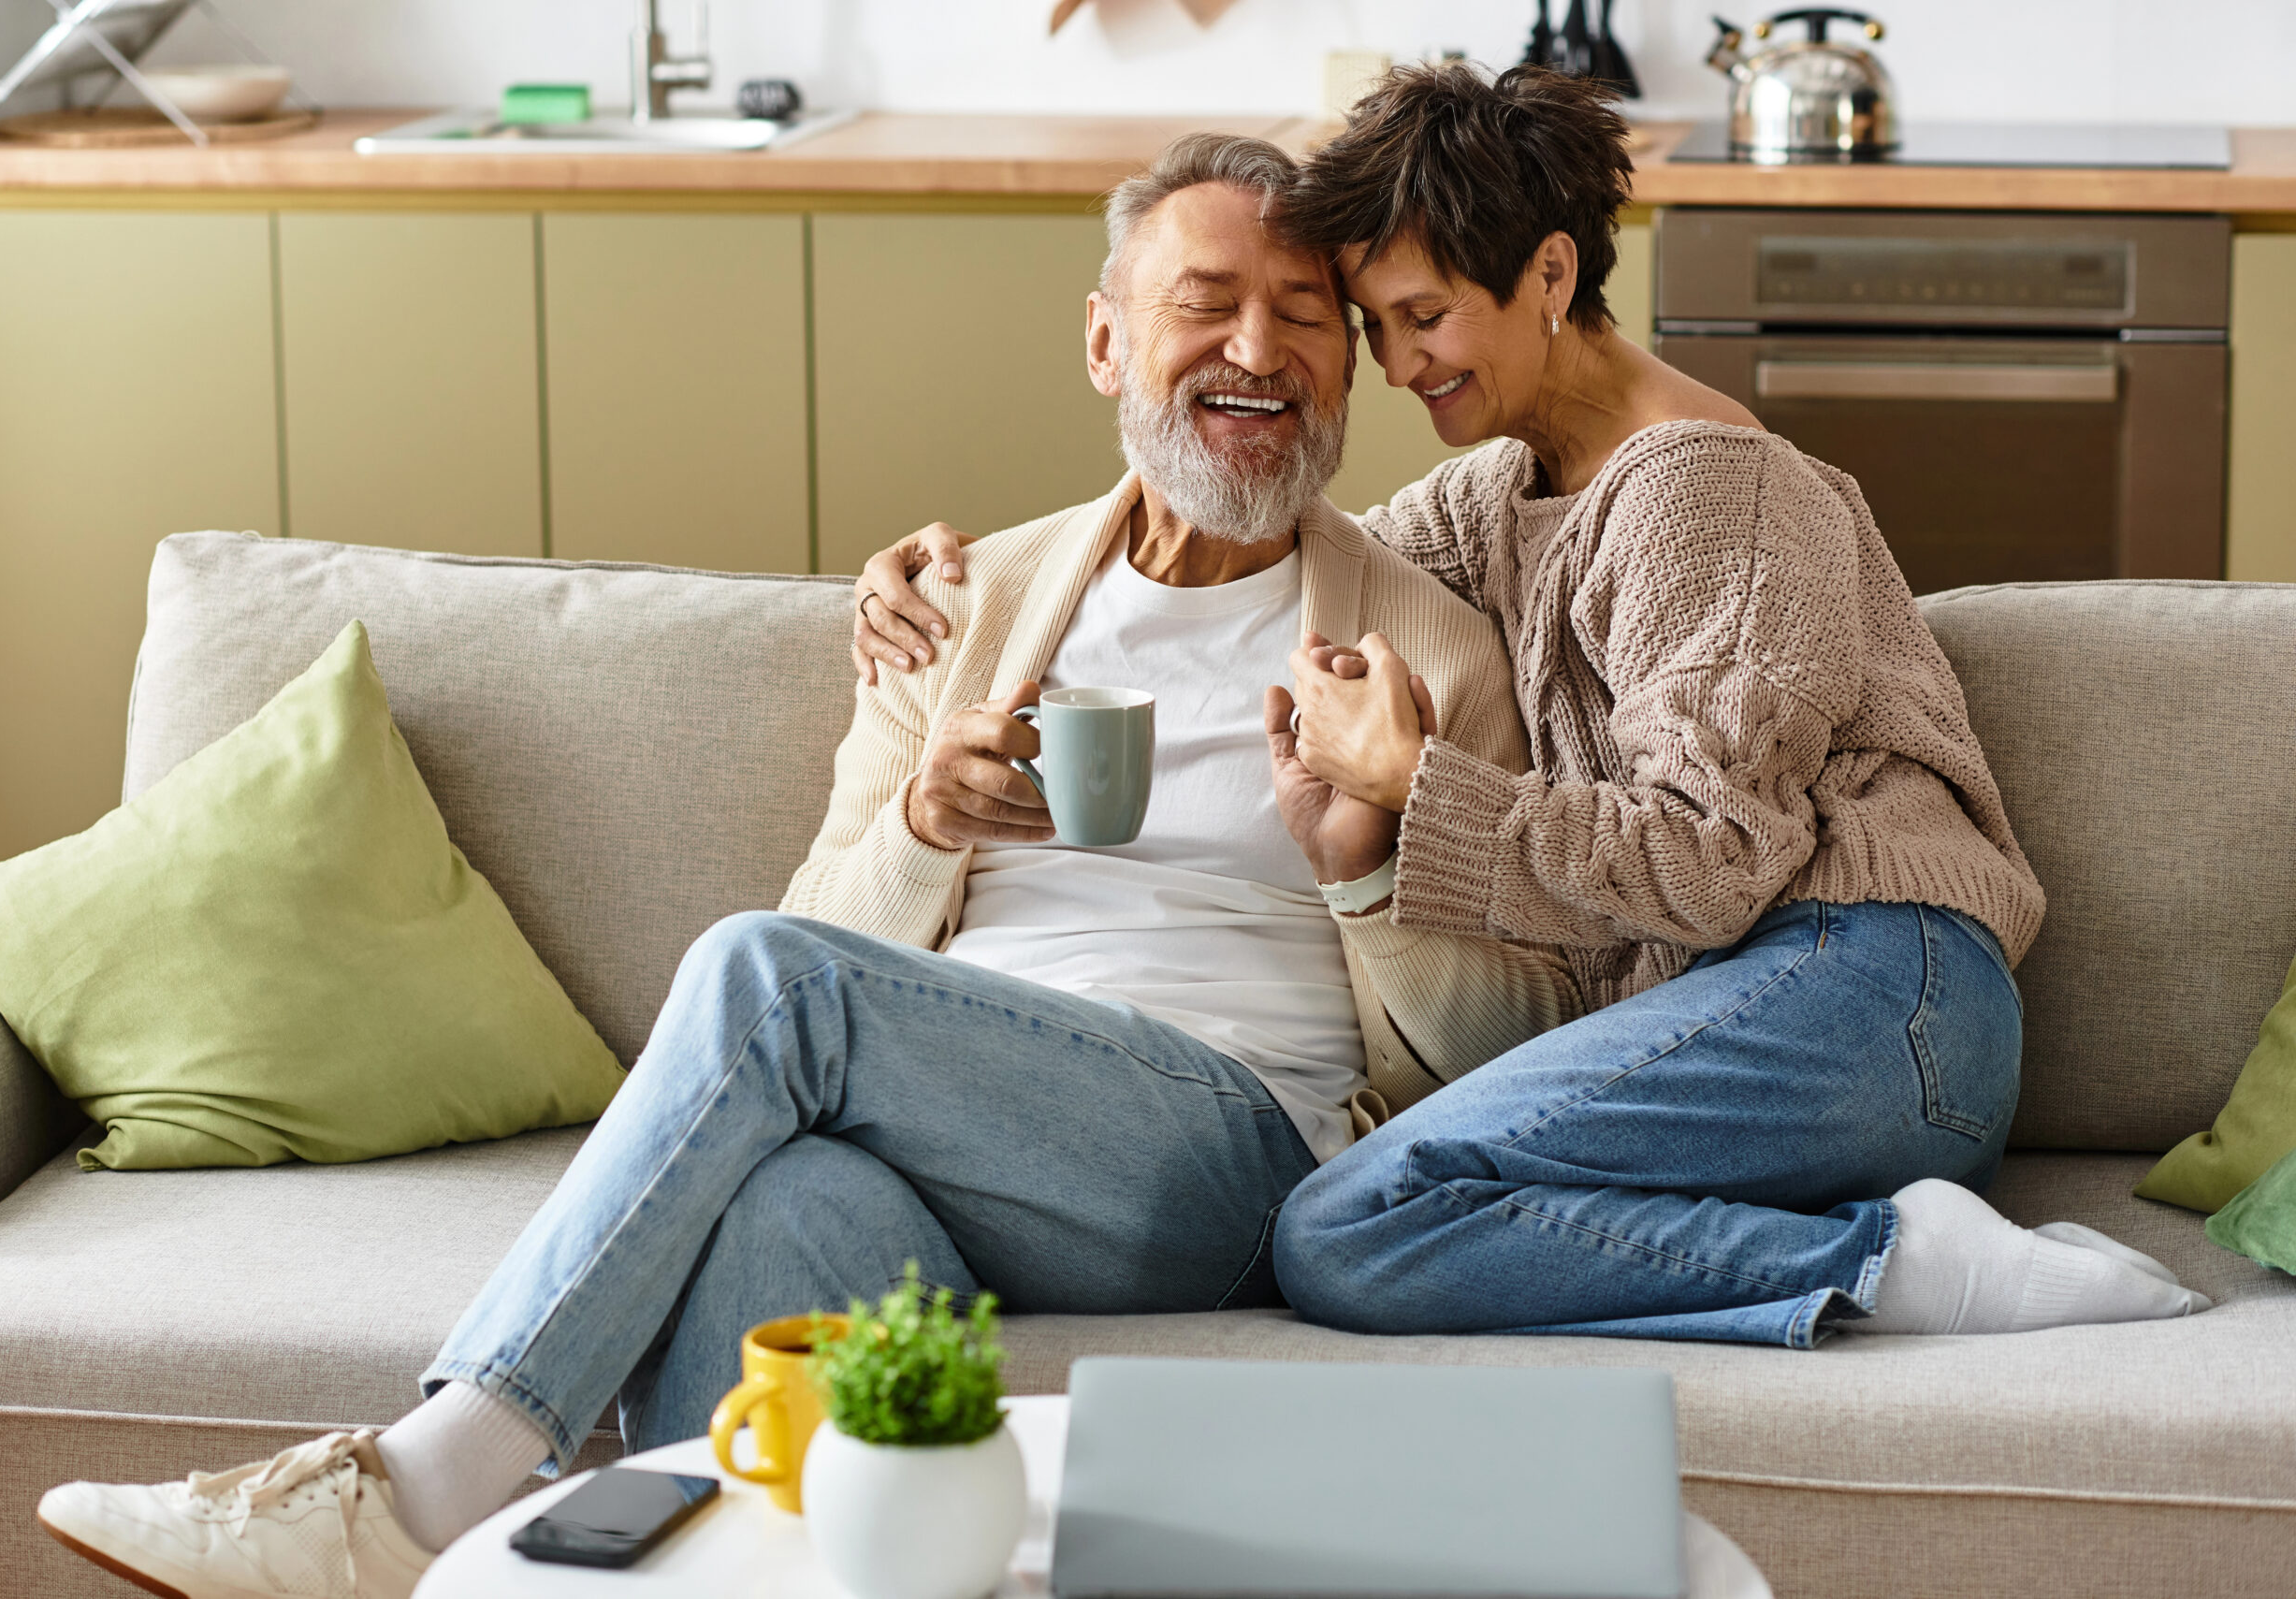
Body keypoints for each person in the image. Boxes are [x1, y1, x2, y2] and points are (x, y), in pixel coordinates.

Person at [36, 133, 1576, 1599]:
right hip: (942, 1146)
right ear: (1108, 345)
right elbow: (831, 935)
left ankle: (424, 1486)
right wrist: (923, 825)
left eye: (1304, 316)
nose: (1258, 347)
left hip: (1222, 1153)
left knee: (760, 978)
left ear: (1347, 373)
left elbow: (1505, 1047)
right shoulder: (967, 604)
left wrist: (1372, 858)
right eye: (1205, 303)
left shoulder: (1424, 644)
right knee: (782, 1203)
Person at [851, 65, 2213, 1350]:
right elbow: (1283, 540)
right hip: (1772, 1013)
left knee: (1350, 1219)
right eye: (1377, 324)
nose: (1397, 364)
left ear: (1551, 273)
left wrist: (1415, 786)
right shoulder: (1499, 493)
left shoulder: (1708, 486)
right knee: (1353, 1226)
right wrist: (956, 574)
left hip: (1875, 989)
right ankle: (1861, 1242)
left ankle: (1898, 1265)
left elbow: (1711, 863)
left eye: (1429, 315)